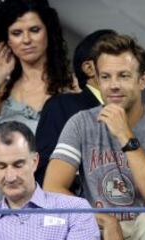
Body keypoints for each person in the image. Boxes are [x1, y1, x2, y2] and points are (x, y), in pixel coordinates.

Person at [43, 33, 145, 240]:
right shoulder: (80, 123)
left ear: (142, 80)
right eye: (106, 77)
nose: (114, 85)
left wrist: (124, 134)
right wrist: (102, 219)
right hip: (99, 227)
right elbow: (52, 189)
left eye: (124, 76)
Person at [34, 29, 116, 185]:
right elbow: (43, 172)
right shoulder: (62, 106)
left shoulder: (137, 113)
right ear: (89, 68)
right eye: (113, 54)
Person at [0, 121, 100, 239]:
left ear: (34, 162)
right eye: (1, 166)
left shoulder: (76, 210)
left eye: (18, 165)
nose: (10, 177)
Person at [0, 0, 73, 134]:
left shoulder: (73, 86)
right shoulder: (1, 92)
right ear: (7, 41)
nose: (26, 40)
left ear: (48, 32)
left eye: (34, 30)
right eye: (16, 33)